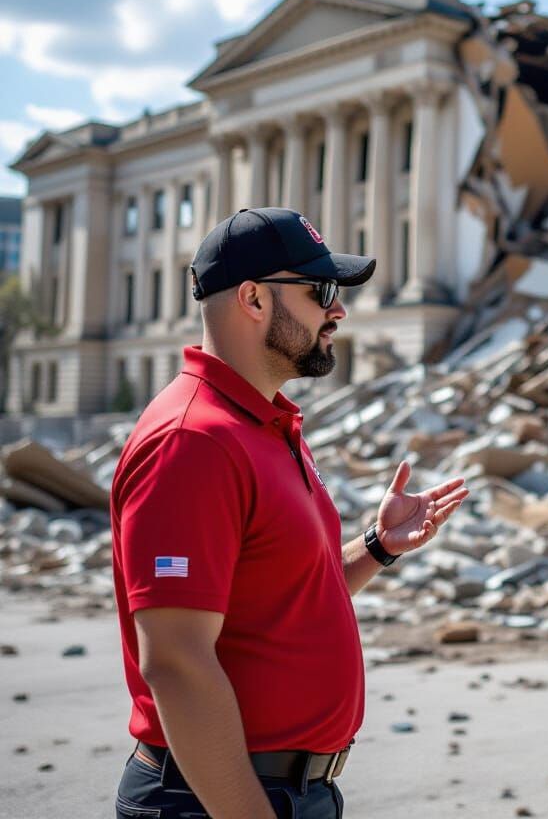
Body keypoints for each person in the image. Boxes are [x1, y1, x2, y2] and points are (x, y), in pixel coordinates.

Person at [110, 207, 468, 819]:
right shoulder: (193, 440)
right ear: (252, 299)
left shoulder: (266, 422)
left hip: (290, 791)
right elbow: (175, 661)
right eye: (322, 291)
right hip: (216, 798)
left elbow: (286, 594)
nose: (339, 310)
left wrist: (377, 546)